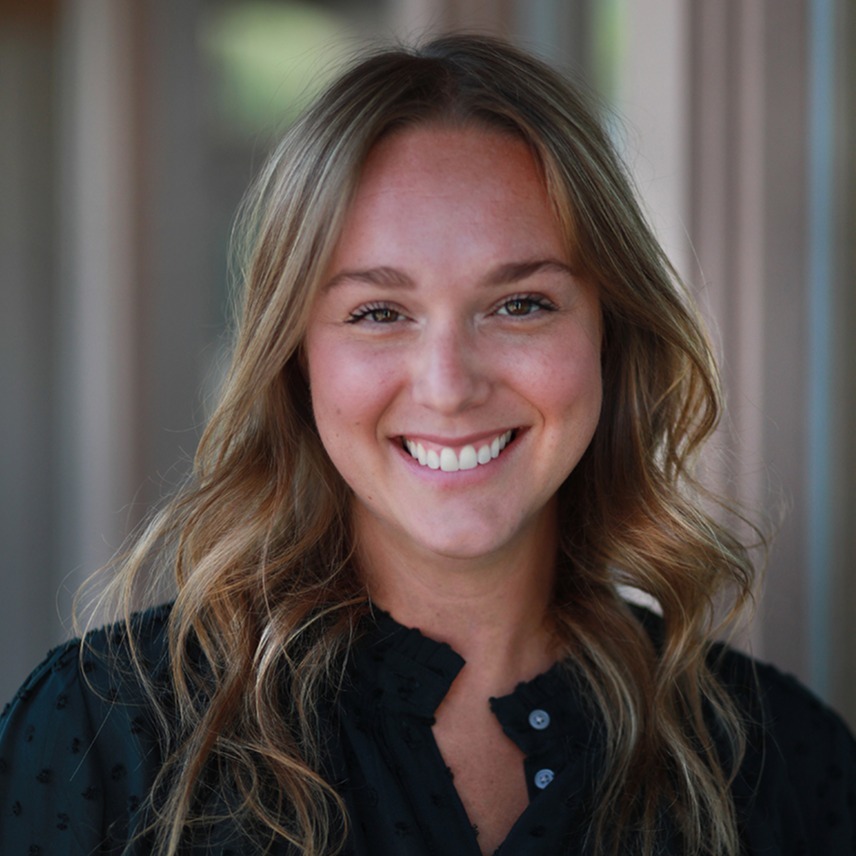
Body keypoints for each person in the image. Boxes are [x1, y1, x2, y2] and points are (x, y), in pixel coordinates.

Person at [1, 33, 853, 856]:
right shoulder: (101, 736)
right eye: (379, 313)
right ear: (295, 361)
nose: (448, 385)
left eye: (521, 303)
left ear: (611, 334)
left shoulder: (786, 766)